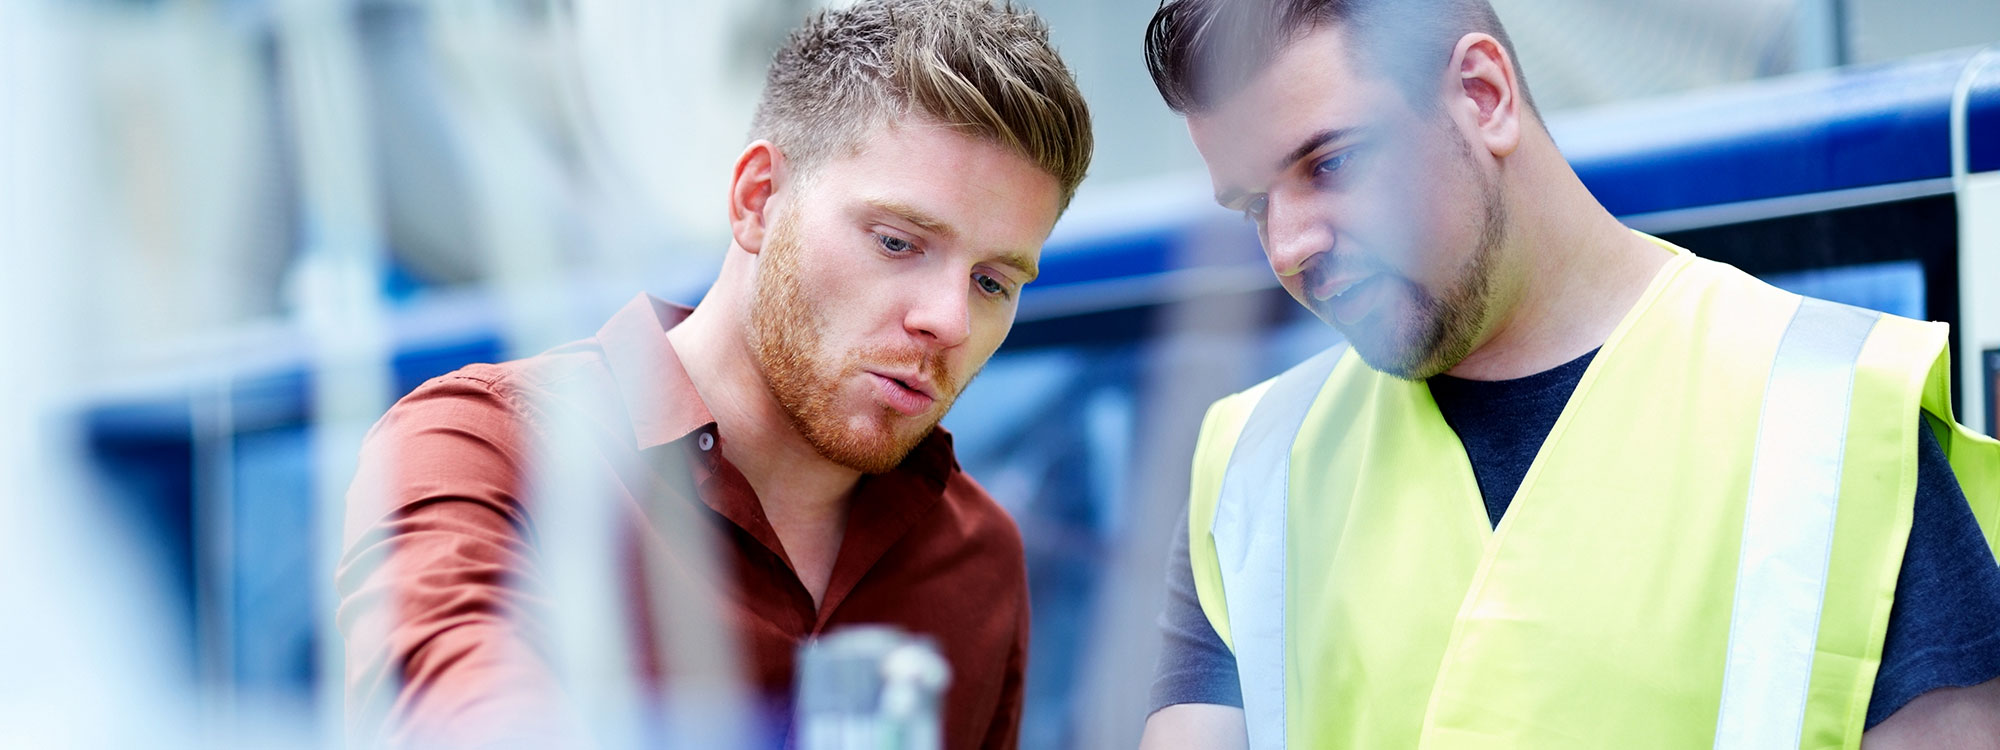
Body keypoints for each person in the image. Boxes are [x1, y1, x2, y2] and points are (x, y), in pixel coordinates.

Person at [1135, 1, 2000, 747]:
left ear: (1483, 95)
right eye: (1254, 205)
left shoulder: (1833, 419)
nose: (1287, 246)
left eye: (1330, 164)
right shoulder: (1254, 469)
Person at [334, 1, 1091, 747]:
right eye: (898, 242)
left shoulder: (978, 558)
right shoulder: (484, 450)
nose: (949, 321)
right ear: (758, 200)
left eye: (993, 283)